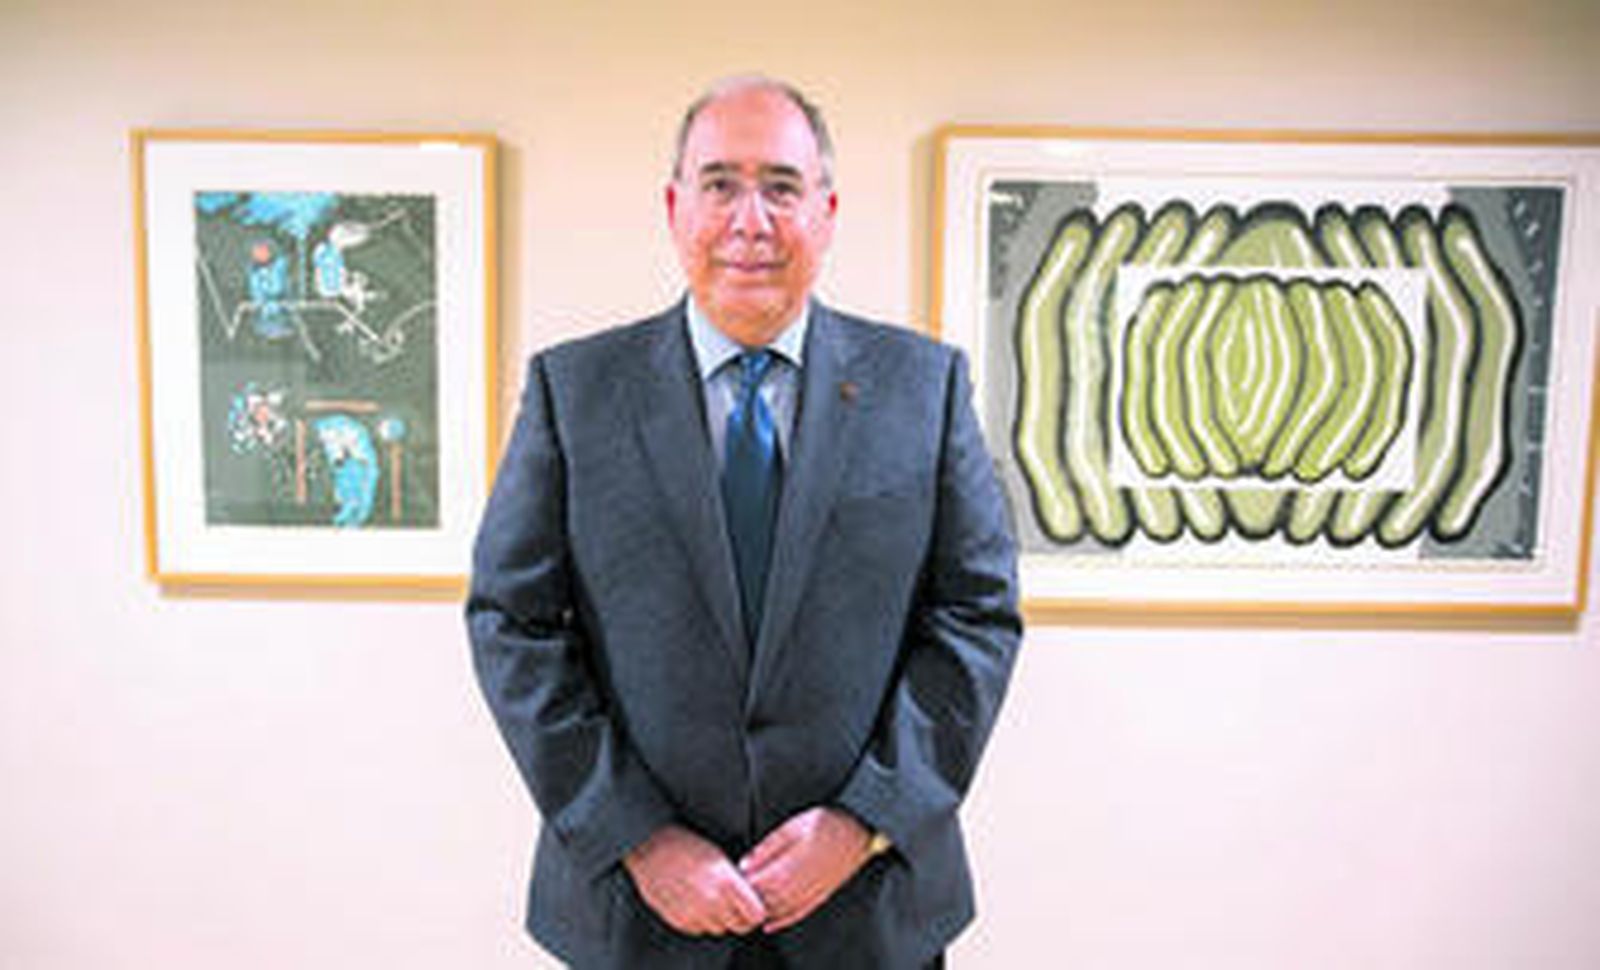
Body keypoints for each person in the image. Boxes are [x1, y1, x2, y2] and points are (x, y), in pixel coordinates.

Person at [467, 75, 1021, 970]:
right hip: (636, 918)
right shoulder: (576, 393)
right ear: (675, 207)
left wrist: (864, 821)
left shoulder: (926, 390)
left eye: (782, 187)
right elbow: (512, 624)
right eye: (720, 184)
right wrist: (637, 836)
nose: (750, 221)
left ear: (826, 212)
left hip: (869, 914)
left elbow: (976, 618)